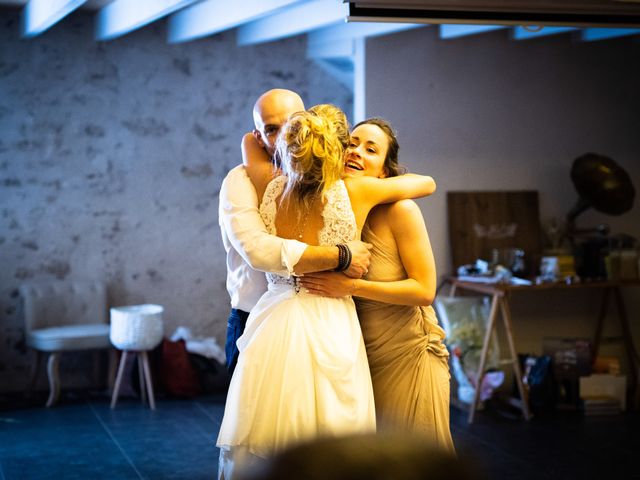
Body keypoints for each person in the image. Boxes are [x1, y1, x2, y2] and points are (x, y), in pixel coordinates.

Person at [217, 107, 436, 479]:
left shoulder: (271, 188)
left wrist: (255, 141)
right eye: (351, 144)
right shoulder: (356, 189)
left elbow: (254, 153)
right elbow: (426, 183)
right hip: (329, 314)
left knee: (269, 419)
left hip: (275, 315)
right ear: (335, 149)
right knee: (334, 415)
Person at [300, 118, 455, 452]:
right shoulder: (327, 210)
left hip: (406, 353)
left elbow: (425, 290)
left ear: (385, 172)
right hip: (356, 358)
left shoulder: (401, 210)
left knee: (415, 463)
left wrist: (352, 287)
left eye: (371, 149)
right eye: (352, 143)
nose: (357, 152)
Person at [219, 89, 372, 375]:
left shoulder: (327, 178)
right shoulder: (240, 180)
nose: (282, 137)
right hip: (253, 317)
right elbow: (258, 250)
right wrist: (342, 256)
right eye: (271, 129)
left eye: (291, 124)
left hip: (322, 320)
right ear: (258, 136)